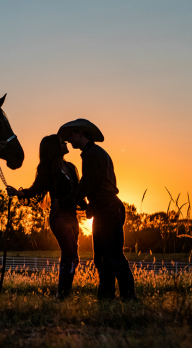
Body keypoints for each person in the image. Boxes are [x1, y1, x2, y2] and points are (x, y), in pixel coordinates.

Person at [58, 119, 137, 301]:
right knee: (103, 257)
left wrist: (67, 200)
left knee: (112, 256)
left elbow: (87, 185)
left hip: (106, 209)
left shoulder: (91, 155)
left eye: (71, 135)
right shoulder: (96, 153)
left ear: (81, 133)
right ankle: (108, 296)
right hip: (105, 208)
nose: (69, 140)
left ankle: (127, 296)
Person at [6, 134, 85, 299]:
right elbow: (36, 189)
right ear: (55, 148)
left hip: (71, 216)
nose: (65, 142)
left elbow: (78, 193)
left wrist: (90, 209)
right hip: (59, 217)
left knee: (70, 255)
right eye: (61, 142)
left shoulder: (70, 167)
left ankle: (64, 293)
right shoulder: (48, 169)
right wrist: (18, 193)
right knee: (71, 255)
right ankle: (63, 294)